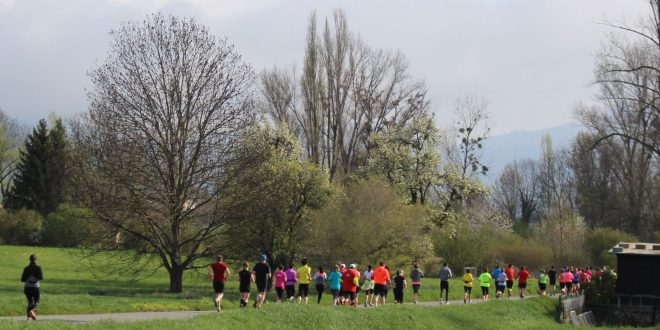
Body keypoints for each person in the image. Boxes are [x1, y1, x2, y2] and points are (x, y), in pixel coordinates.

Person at [21, 254, 43, 321]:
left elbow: (22, 279)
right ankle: (33, 310)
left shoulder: (26, 268)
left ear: (29, 259)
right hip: (35, 287)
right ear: (36, 259)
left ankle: (29, 317)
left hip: (27, 287)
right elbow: (41, 277)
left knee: (30, 301)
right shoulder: (38, 268)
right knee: (37, 301)